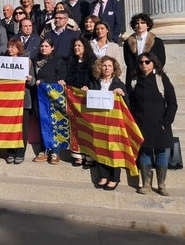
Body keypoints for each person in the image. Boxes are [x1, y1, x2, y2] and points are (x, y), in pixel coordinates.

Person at [129, 52, 177, 196]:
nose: (144, 64)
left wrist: (166, 122)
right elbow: (131, 103)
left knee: (161, 152)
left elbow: (172, 103)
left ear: (153, 63)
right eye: (141, 62)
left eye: (147, 61)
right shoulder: (134, 80)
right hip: (141, 124)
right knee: (144, 152)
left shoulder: (161, 79)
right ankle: (146, 184)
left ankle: (161, 184)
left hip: (160, 123)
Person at [83, 56, 128, 190]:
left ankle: (114, 178)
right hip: (98, 123)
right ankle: (103, 175)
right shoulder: (94, 82)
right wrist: (84, 91)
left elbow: (127, 105)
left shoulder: (119, 84)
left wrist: (122, 95)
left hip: (114, 125)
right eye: (104, 65)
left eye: (109, 66)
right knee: (100, 148)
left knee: (114, 149)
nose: (106, 68)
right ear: (99, 68)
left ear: (114, 69)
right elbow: (87, 102)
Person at [62, 37, 96, 167]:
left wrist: (88, 86)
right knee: (75, 127)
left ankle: (89, 157)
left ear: (85, 47)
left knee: (87, 128)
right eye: (75, 46)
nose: (76, 48)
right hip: (73, 99)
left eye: (79, 46)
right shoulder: (71, 61)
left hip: (87, 99)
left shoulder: (93, 61)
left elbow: (96, 80)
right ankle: (78, 156)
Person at [33, 38, 67, 165]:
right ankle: (44, 150)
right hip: (39, 98)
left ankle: (55, 152)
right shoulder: (36, 61)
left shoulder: (58, 61)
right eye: (42, 46)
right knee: (42, 123)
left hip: (53, 99)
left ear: (52, 48)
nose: (43, 48)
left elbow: (61, 79)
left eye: (46, 46)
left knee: (54, 123)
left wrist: (45, 82)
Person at [3, 39, 35, 164]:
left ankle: (20, 152)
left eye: (13, 47)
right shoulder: (3, 61)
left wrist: (29, 79)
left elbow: (32, 83)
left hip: (23, 100)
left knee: (22, 128)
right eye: (9, 47)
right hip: (9, 100)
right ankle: (10, 152)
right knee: (10, 127)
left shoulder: (27, 62)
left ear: (19, 49)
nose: (10, 49)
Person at [123, 13, 166, 88]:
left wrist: (154, 71)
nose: (139, 25)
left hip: (152, 75)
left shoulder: (157, 41)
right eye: (137, 23)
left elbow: (161, 59)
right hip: (134, 76)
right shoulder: (127, 42)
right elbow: (128, 61)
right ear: (134, 26)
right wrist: (135, 73)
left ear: (148, 25)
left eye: (142, 23)